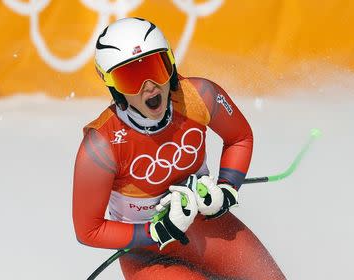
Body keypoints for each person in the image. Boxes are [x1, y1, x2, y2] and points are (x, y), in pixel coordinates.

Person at [72, 17, 286, 280]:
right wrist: (153, 231)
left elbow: (239, 137)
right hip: (147, 255)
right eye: (131, 77)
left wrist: (228, 187)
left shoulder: (200, 95)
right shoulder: (100, 147)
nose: (148, 85)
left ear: (170, 63)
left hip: (207, 228)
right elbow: (88, 230)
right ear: (113, 86)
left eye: (155, 67)